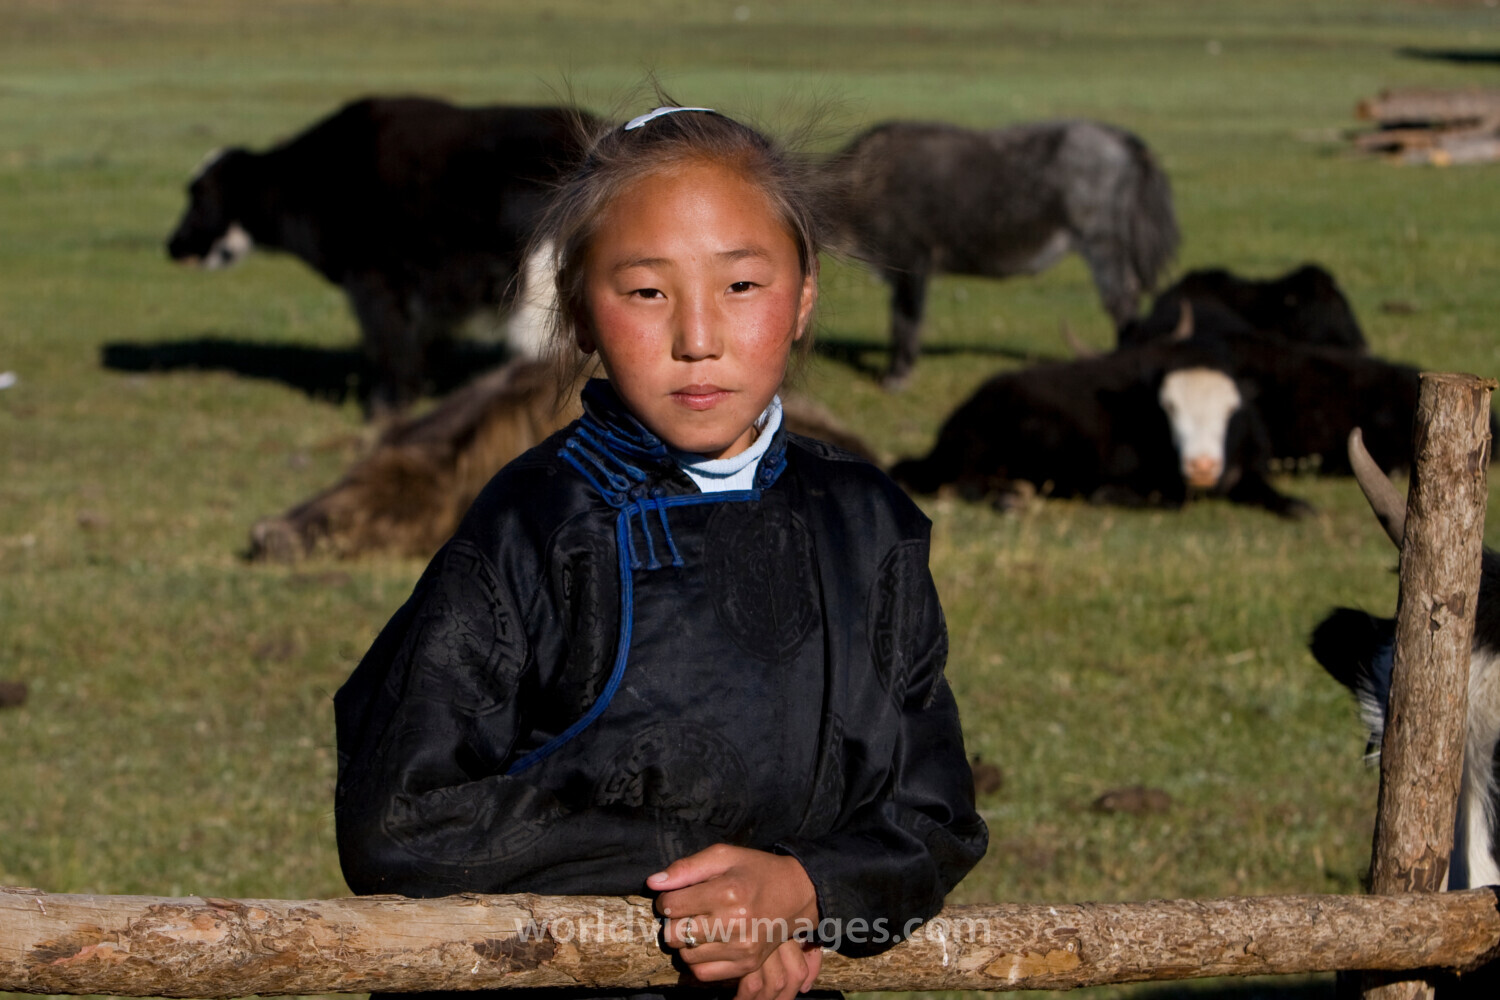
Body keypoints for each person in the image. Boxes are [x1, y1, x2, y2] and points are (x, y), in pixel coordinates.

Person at [333, 103, 988, 1000]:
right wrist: (704, 888)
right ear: (577, 309)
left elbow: (935, 816)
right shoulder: (532, 524)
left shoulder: (868, 524)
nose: (697, 338)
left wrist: (802, 892)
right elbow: (398, 822)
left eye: (742, 287)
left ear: (803, 297)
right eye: (647, 292)